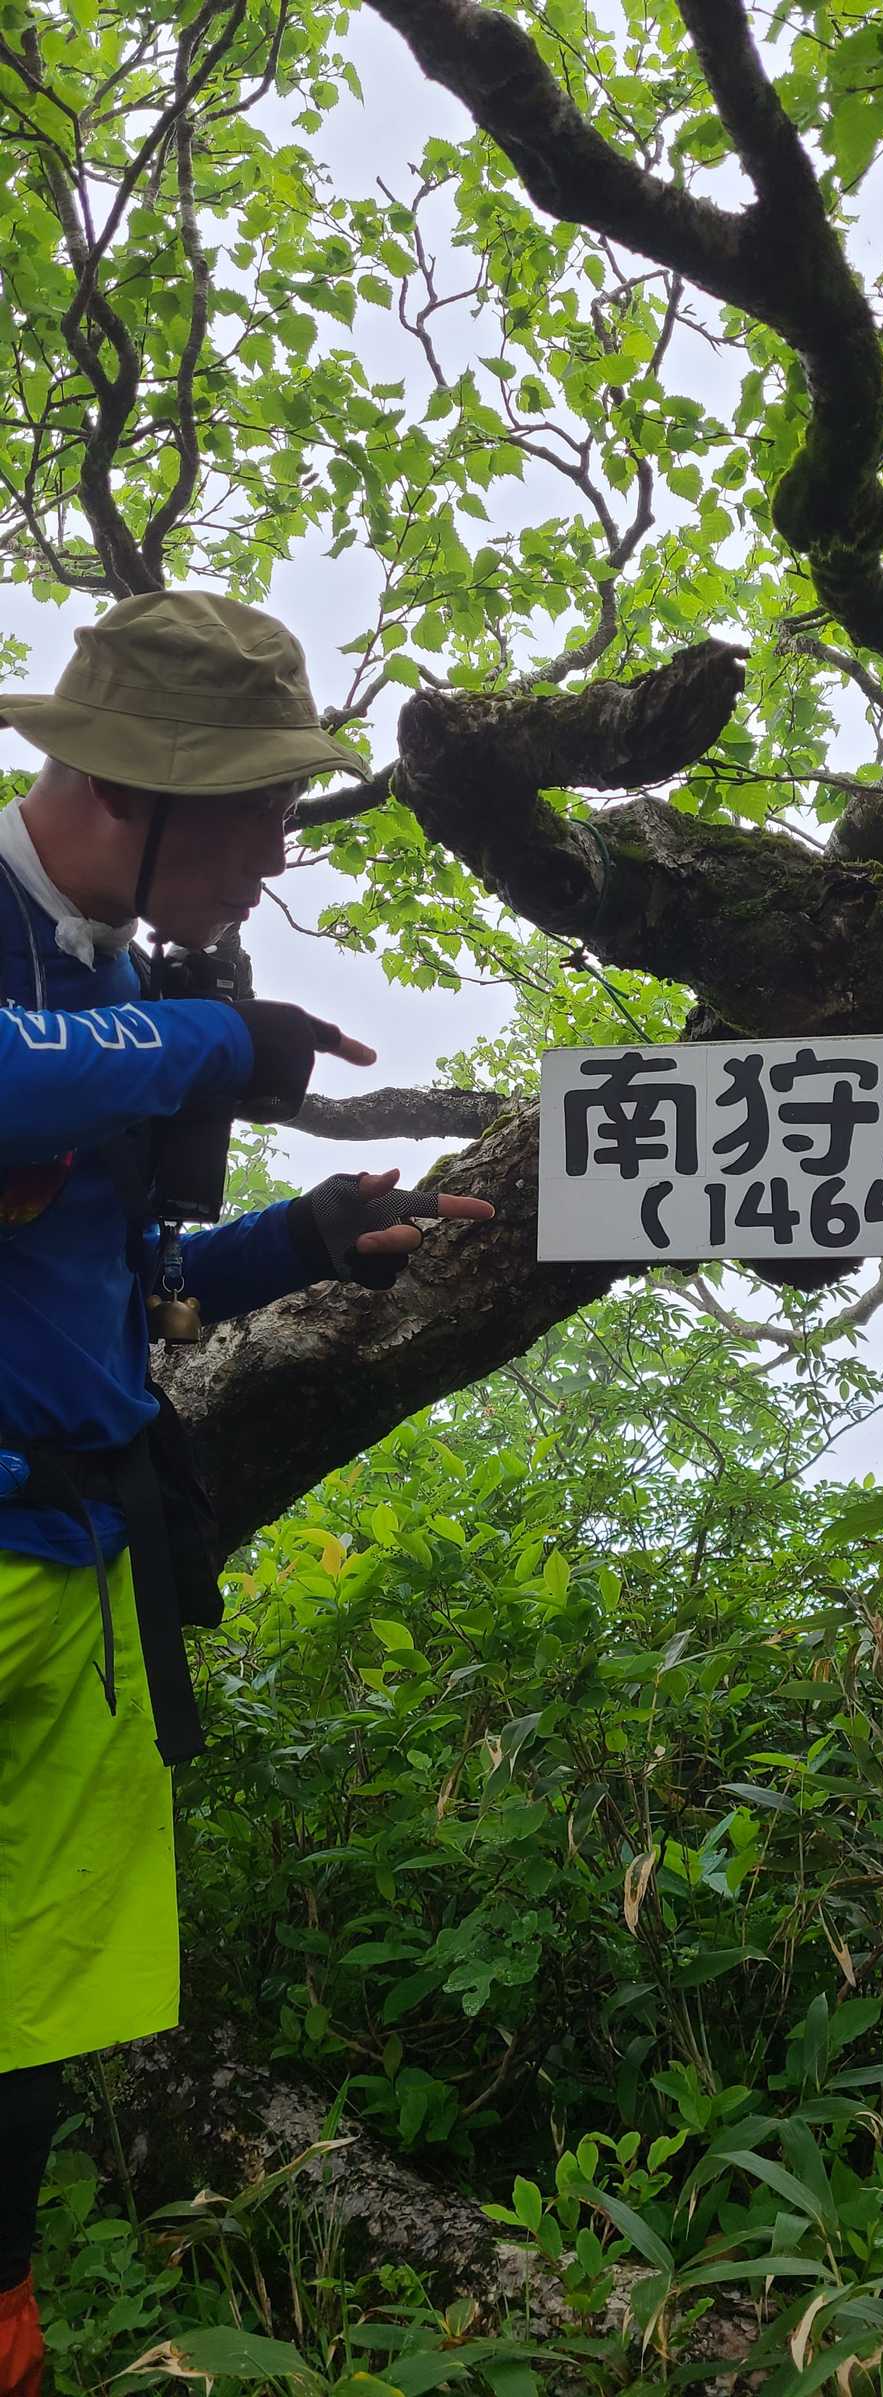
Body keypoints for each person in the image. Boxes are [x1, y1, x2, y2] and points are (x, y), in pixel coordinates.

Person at [0, 590, 496, 2394]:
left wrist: (304, 1236)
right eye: (261, 812)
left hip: (77, 1570)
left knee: (26, 2033)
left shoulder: (113, 979)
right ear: (135, 788)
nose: (281, 853)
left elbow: (118, 1274)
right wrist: (224, 1042)